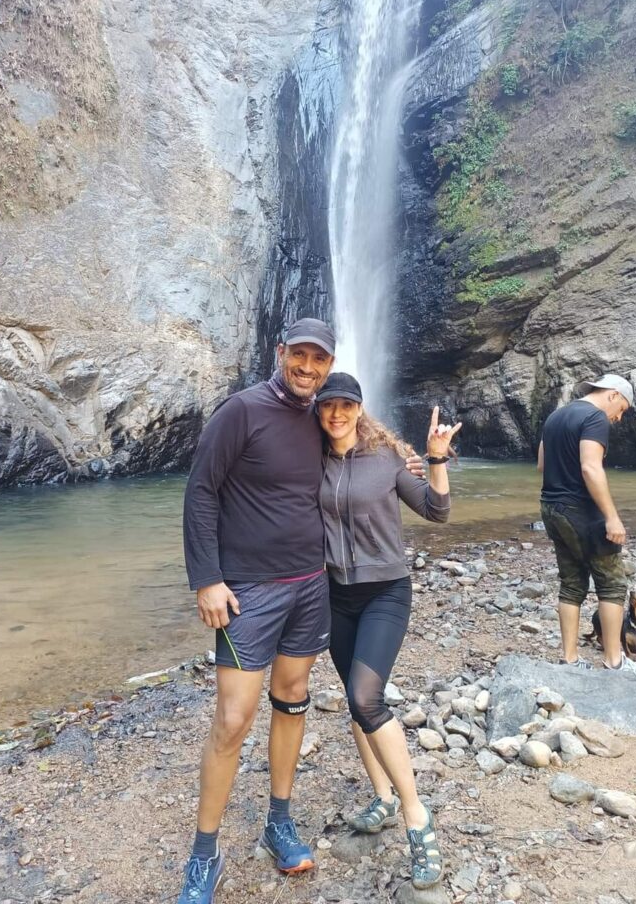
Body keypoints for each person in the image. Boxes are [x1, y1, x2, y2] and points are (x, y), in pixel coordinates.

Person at [178, 318, 336, 904]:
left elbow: (359, 451)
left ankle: (279, 820)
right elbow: (200, 491)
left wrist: (421, 464)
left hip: (310, 585)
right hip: (248, 591)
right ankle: (204, 853)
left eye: (318, 360)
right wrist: (207, 579)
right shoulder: (240, 411)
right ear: (281, 352)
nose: (307, 368)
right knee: (233, 718)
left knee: (292, 700)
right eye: (299, 355)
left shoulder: (321, 417)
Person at [316, 372, 461, 890]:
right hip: (335, 595)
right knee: (355, 701)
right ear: (319, 411)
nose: (336, 414)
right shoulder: (309, 459)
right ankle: (380, 796)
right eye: (328, 406)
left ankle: (415, 816)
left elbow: (437, 511)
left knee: (365, 696)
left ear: (360, 409)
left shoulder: (388, 459)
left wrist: (435, 458)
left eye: (345, 406)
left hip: (385, 592)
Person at [537, 373, 636, 683]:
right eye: (622, 410)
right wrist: (612, 517)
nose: (618, 418)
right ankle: (614, 663)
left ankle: (569, 659)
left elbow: (541, 465)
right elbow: (591, 468)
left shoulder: (555, 416)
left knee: (572, 582)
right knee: (613, 583)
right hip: (582, 512)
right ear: (613, 395)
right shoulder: (594, 417)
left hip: (551, 508)